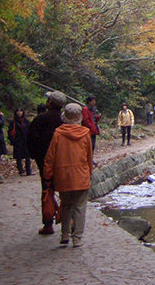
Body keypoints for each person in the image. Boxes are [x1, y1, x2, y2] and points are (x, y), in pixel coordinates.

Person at [43, 103, 93, 248]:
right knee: (79, 206)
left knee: (65, 205)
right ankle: (77, 238)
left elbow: (50, 157)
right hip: (81, 175)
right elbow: (89, 156)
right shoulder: (85, 133)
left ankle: (65, 234)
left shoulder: (58, 133)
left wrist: (48, 175)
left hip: (63, 175)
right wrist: (88, 174)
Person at [27, 90, 66, 235]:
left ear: (50, 103)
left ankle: (48, 224)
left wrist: (36, 157)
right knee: (65, 193)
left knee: (47, 191)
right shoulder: (65, 120)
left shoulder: (40, 119)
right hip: (63, 162)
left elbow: (31, 141)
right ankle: (67, 226)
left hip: (45, 162)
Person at [8, 107, 32, 176]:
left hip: (25, 140)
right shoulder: (13, 122)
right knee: (18, 157)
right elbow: (10, 131)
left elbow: (30, 131)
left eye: (20, 111)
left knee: (27, 156)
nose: (19, 113)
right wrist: (13, 140)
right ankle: (20, 170)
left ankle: (28, 170)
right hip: (18, 141)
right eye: (18, 111)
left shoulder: (26, 122)